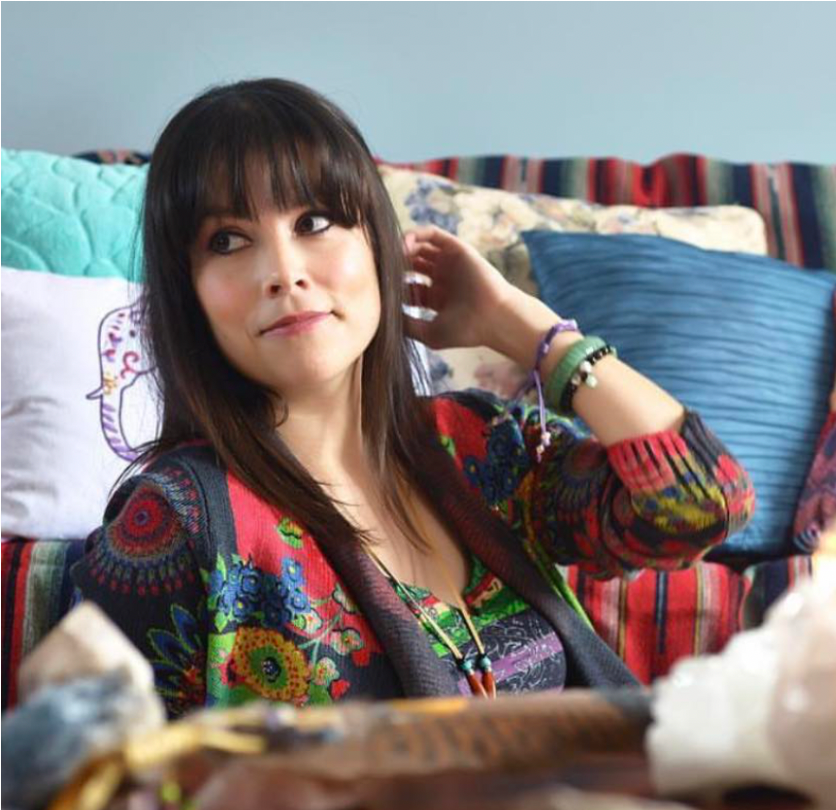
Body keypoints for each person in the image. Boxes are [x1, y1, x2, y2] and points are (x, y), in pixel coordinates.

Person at [72, 78, 755, 718]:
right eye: (227, 241)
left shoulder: (480, 446)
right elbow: (107, 764)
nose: (282, 272)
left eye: (314, 222)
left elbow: (701, 503)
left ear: (377, 243)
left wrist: (529, 331)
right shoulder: (174, 523)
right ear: (187, 294)